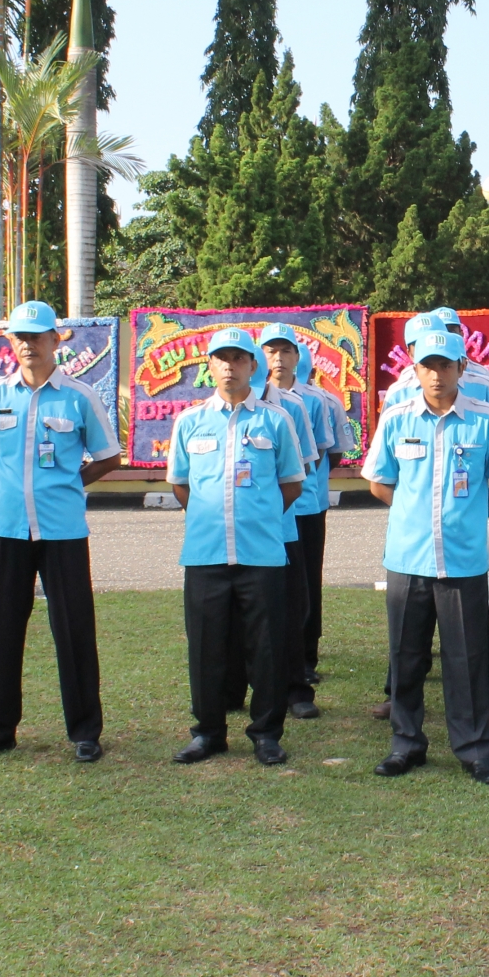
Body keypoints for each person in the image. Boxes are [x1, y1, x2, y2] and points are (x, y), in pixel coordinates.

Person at [0, 301, 123, 763]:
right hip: (6, 528)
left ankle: (85, 732)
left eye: (37, 336)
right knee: (3, 630)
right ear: (11, 342)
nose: (29, 345)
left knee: (74, 630)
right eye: (20, 337)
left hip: (62, 530)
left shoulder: (79, 397)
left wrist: (69, 483)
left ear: (56, 339)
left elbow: (108, 457)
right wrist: (13, 479)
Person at [363, 329, 489, 784]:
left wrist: (468, 515)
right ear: (415, 370)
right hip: (408, 559)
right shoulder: (397, 418)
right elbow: (378, 481)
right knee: (406, 657)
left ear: (462, 369)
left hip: (462, 560)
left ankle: (474, 750)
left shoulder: (484, 420)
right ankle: (406, 744)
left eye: (446, 365)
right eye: (428, 366)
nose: (436, 375)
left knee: (466, 659)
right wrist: (413, 515)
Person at [166, 329, 307, 765]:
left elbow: (292, 483)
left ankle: (266, 734)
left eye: (239, 358)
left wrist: (258, 517)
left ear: (252, 366)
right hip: (205, 553)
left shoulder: (275, 420)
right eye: (222, 358)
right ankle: (208, 733)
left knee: (266, 648)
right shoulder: (189, 421)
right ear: (210, 365)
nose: (230, 366)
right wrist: (213, 517)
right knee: (205, 647)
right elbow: (181, 485)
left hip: (261, 554)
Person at [259, 323, 337, 719]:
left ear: (297, 356)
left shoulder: (305, 403)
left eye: (285, 351)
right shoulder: (215, 410)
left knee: (299, 592)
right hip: (246, 522)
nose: (277, 358)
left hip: (297, 511)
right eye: (269, 351)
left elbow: (319, 456)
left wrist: (292, 497)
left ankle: (301, 667)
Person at [291, 341, 356, 695]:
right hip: (294, 507)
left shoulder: (322, 402)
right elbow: (333, 456)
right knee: (297, 582)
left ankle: (304, 656)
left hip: (306, 506)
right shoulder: (325, 400)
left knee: (303, 582)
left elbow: (330, 453)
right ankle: (297, 656)